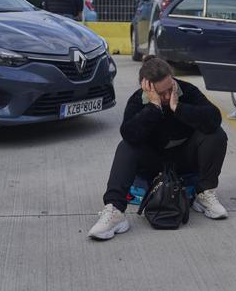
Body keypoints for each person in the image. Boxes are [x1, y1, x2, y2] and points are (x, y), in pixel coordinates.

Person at [88, 56, 228, 241]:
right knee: (126, 146)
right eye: (161, 93)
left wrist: (178, 107)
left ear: (173, 77)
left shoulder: (187, 90)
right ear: (147, 88)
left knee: (216, 134)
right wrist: (154, 108)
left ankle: (204, 193)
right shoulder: (138, 100)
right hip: (153, 163)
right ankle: (115, 211)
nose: (168, 95)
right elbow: (129, 134)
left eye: (170, 88)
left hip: (184, 159)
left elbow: (213, 119)